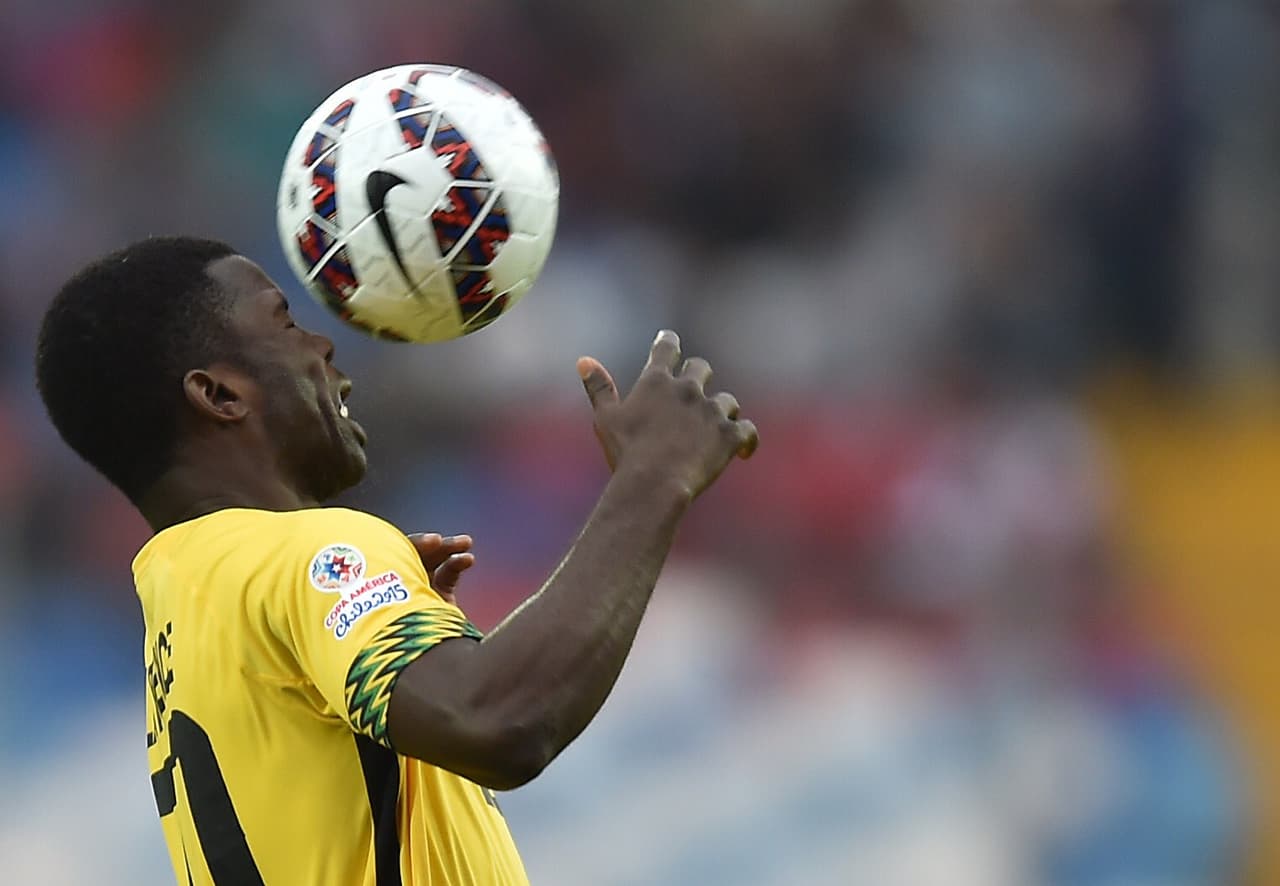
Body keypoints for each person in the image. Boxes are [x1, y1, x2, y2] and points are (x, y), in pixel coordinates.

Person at [33, 236, 758, 886]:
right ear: (219, 394)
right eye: (285, 323)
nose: (324, 347)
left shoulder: (186, 601)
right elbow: (499, 721)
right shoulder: (306, 553)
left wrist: (413, 642)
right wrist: (654, 477)